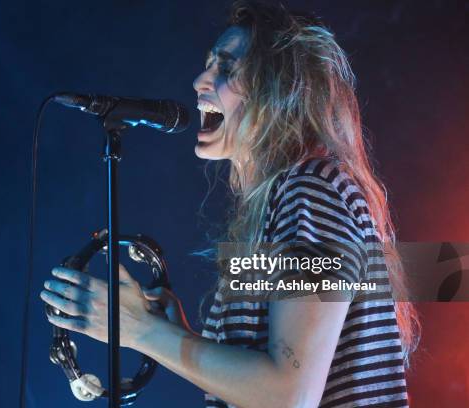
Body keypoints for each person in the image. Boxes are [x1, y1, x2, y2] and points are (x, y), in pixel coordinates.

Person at [40, 1, 419, 407]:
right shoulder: (286, 199)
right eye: (208, 65)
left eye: (226, 68)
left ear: (279, 90)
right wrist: (173, 335)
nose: (200, 79)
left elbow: (289, 395)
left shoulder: (311, 191)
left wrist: (139, 330)